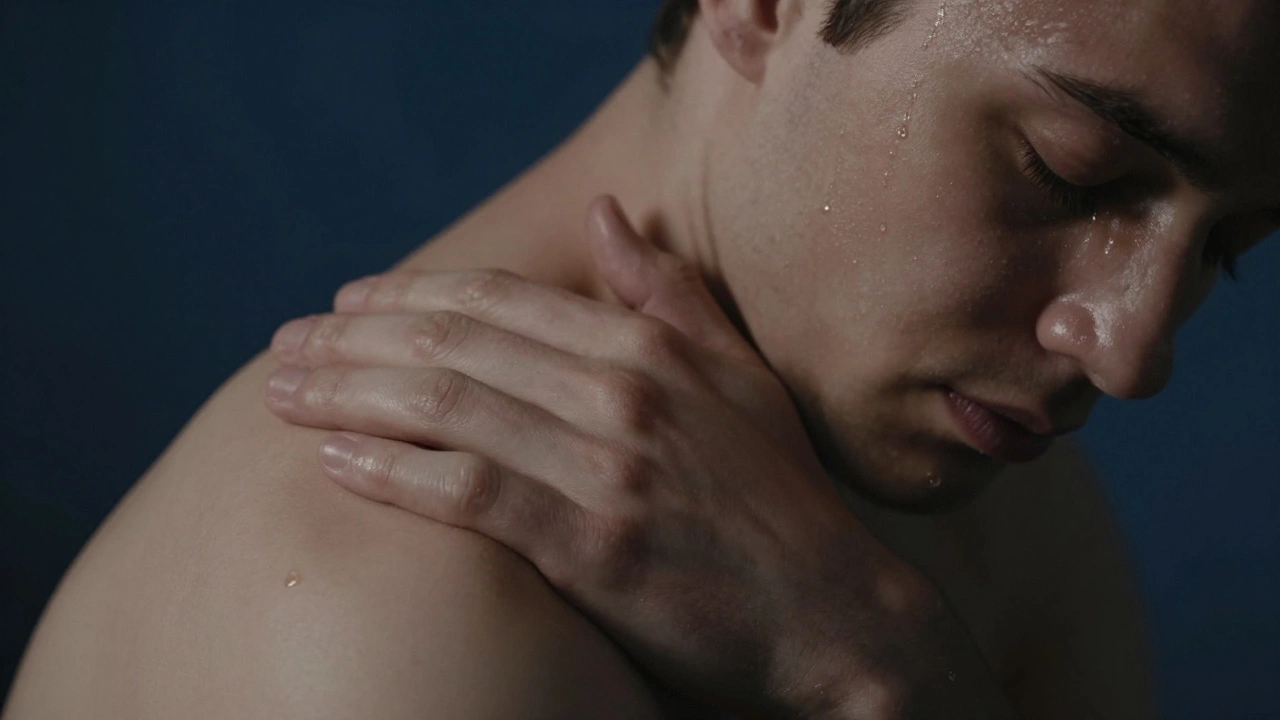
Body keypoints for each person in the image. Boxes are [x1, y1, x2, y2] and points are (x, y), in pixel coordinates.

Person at [6, 0, 1277, 717]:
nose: (1126, 352)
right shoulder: (390, 620)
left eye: (1225, 245)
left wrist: (877, 665)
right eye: (1069, 170)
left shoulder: (979, 471)